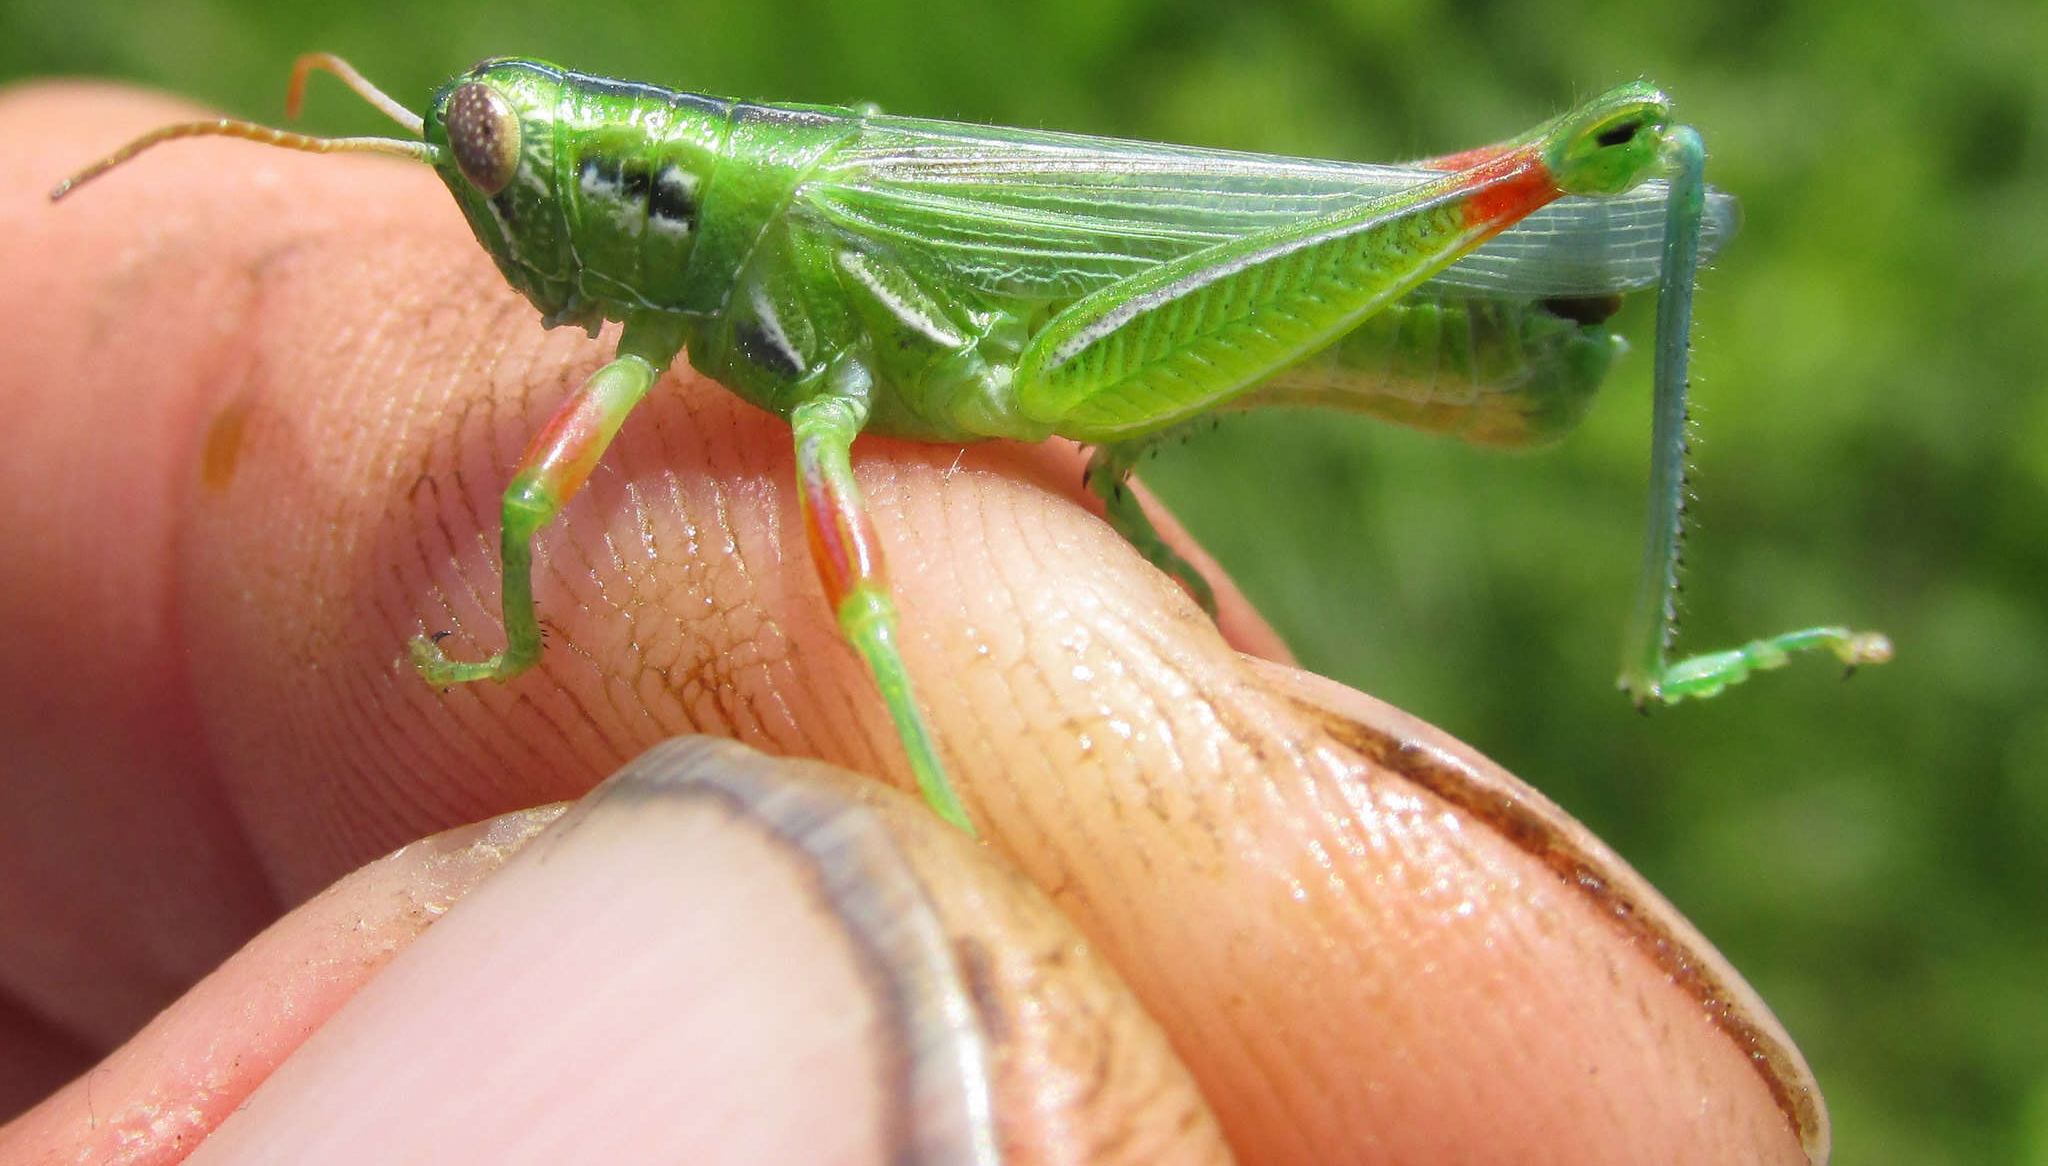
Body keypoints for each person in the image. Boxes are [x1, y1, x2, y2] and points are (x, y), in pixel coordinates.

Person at [0, 80, 1827, 1163]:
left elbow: (829, 588)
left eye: (518, 183)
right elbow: (539, 502)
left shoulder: (759, 269)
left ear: (647, 200)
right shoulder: (662, 323)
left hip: (1305, 320)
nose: (506, 225)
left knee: (870, 611)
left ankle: (1665, 648)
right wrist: (500, 646)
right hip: (1063, 349)